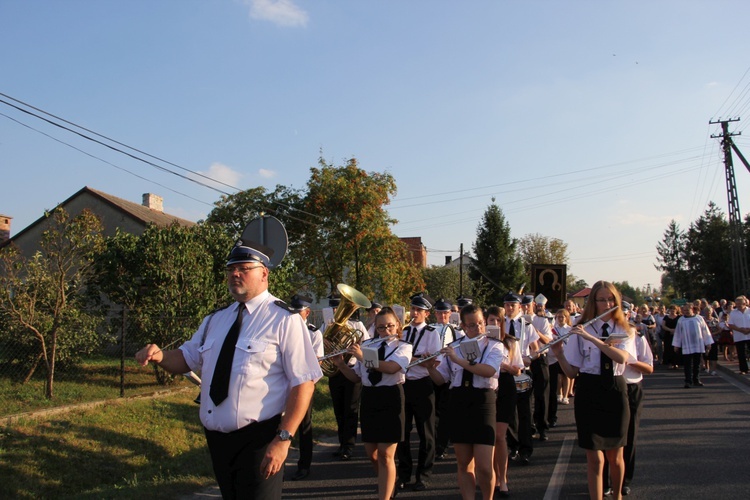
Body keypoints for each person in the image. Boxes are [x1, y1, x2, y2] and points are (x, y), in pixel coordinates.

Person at [135, 239, 322, 499]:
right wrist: (160, 356)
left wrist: (283, 438)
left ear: (264, 273)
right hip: (218, 441)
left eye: (244, 268)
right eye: (231, 269)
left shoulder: (284, 318)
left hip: (259, 439)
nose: (235, 274)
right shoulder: (216, 319)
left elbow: (304, 382)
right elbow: (187, 358)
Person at [550, 280, 637, 500]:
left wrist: (592, 338)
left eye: (611, 299)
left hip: (615, 391)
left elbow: (622, 358)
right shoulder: (580, 327)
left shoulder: (623, 328)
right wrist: (559, 353)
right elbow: (571, 373)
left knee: (616, 457)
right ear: (593, 302)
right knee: (595, 459)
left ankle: (616, 496)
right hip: (589, 390)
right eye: (602, 300)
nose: (607, 304)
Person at [426, 304, 504, 500]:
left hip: (483, 401)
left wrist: (458, 359)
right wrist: (429, 368)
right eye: (471, 325)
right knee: (464, 463)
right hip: (459, 401)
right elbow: (441, 379)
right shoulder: (455, 346)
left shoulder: (494, 344)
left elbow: (489, 371)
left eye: (480, 323)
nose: (477, 328)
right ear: (462, 326)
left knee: (485, 467)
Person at [333, 307, 412, 500]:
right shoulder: (368, 344)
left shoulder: (404, 346)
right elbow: (356, 377)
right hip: (370, 398)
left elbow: (392, 368)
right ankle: (388, 484)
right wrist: (341, 364)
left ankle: (384, 496)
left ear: (398, 326)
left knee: (386, 454)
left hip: (391, 397)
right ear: (375, 328)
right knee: (372, 454)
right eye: (381, 327)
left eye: (390, 326)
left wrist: (362, 356)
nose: (386, 331)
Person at [603, 315, 654, 496]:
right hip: (611, 386)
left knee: (629, 435)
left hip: (632, 387)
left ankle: (624, 480)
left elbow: (649, 368)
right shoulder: (609, 338)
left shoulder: (638, 339)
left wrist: (628, 360)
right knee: (607, 436)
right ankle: (605, 481)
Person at [397, 293, 441, 492]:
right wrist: (416, 359)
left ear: (426, 314)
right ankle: (404, 474)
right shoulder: (402, 331)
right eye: (413, 309)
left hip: (422, 384)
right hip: (404, 384)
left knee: (426, 433)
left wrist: (411, 359)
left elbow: (433, 361)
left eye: (418, 310)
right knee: (402, 432)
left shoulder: (432, 333)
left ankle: (423, 475)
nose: (414, 313)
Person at [325, 292, 369, 461]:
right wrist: (325, 343)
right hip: (335, 372)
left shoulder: (357, 325)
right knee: (338, 409)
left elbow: (367, 344)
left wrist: (356, 347)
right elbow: (319, 347)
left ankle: (349, 446)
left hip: (352, 371)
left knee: (350, 409)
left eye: (338, 306)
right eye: (334, 307)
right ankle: (342, 443)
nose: (336, 310)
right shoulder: (327, 325)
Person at [487, 306, 523, 498]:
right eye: (490, 320)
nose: (493, 324)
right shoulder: (481, 341)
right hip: (486, 385)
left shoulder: (509, 342)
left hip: (506, 385)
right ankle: (489, 475)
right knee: (488, 436)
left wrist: (505, 365)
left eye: (497, 320)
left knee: (500, 436)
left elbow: (518, 370)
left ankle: (502, 478)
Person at [290, 293, 324, 481]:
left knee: (304, 426)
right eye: (293, 310)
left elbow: (317, 362)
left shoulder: (313, 333)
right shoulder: (284, 329)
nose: (295, 314)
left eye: (299, 311)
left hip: (303, 385)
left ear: (307, 312)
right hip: (284, 384)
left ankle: (304, 465)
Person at [503, 292, 540, 465]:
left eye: (513, 305)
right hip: (505, 372)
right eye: (507, 304)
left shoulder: (527, 324)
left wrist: (530, 358)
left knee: (524, 412)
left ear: (520, 306)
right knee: (509, 412)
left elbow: (536, 349)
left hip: (522, 371)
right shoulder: (500, 324)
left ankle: (526, 449)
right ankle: (513, 446)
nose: (509, 308)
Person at [433, 298, 462, 461]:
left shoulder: (457, 331)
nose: (442, 316)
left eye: (445, 313)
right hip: (431, 373)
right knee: (434, 413)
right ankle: (435, 443)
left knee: (445, 413)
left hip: (449, 374)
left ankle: (441, 446)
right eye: (439, 312)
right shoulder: (430, 329)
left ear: (450, 313)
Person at [673, 303, 714, 387]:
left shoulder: (699, 318)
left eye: (687, 310)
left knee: (697, 364)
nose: (686, 312)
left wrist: (708, 343)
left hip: (698, 344)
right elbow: (678, 333)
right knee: (687, 364)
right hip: (686, 344)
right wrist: (676, 344)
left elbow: (705, 331)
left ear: (692, 309)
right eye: (684, 310)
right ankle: (688, 381)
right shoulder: (681, 320)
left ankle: (696, 379)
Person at [727, 295, 750, 375]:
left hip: (749, 334)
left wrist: (748, 330)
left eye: (740, 304)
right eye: (737, 304)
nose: (738, 306)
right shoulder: (733, 313)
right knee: (741, 353)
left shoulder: (749, 311)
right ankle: (743, 369)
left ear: (744, 303)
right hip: (739, 335)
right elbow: (731, 324)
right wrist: (741, 330)